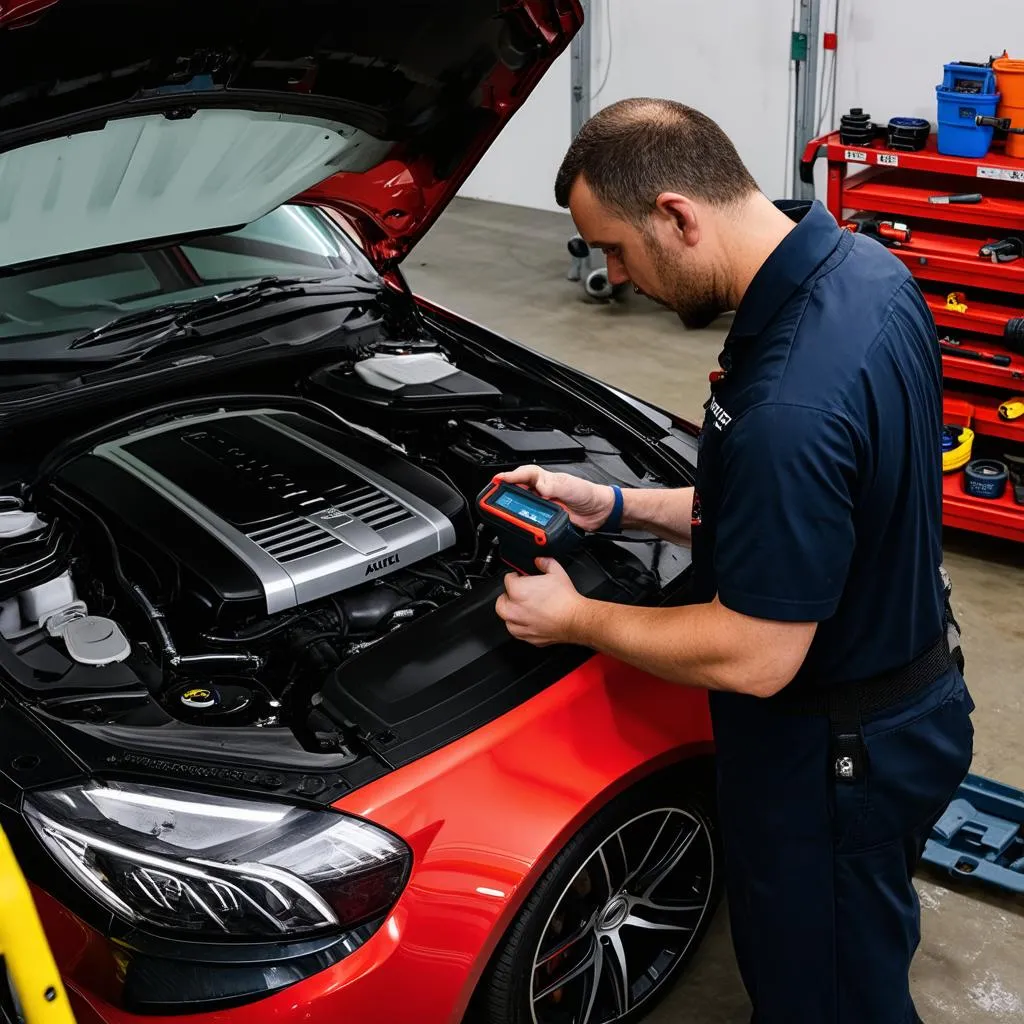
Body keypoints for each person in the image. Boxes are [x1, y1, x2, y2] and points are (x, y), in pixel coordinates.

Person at [494, 98, 974, 1024]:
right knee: (860, 948)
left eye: (618, 250)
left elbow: (758, 654)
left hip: (832, 759)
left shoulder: (787, 407)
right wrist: (622, 506)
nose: (615, 276)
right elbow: (805, 509)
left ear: (678, 214)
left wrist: (575, 619)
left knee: (823, 997)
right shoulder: (867, 271)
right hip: (912, 699)